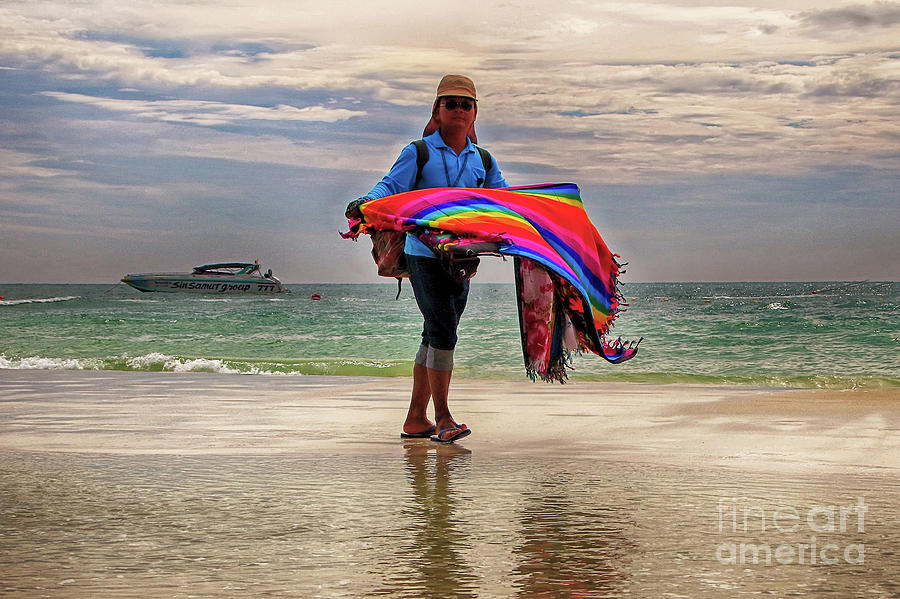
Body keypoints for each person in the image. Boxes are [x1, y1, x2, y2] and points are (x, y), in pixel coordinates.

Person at [350, 75, 508, 443]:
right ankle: (444, 418)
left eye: (465, 104)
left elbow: (503, 199)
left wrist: (540, 221)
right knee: (444, 332)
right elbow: (390, 185)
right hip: (422, 254)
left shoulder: (482, 159)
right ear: (436, 110)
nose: (458, 109)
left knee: (433, 334)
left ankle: (414, 420)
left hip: (463, 258)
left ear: (474, 113)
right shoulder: (418, 151)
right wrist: (365, 203)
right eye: (449, 103)